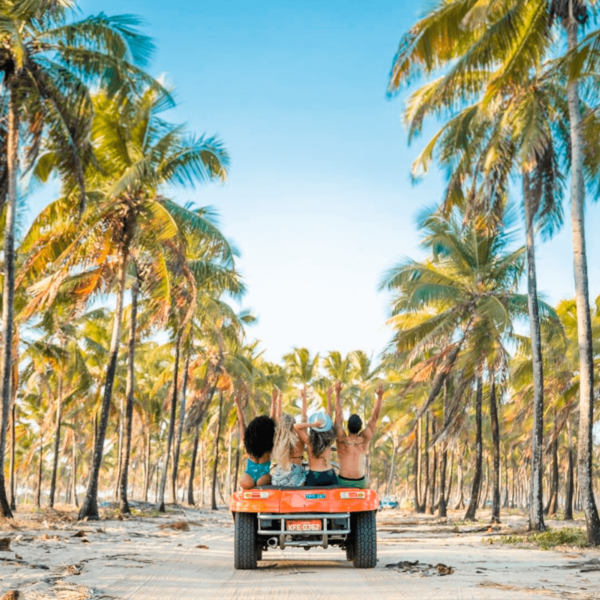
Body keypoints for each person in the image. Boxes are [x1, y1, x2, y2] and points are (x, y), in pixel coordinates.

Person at [335, 380, 384, 489]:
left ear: (347, 426)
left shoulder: (341, 438)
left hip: (343, 481)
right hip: (360, 482)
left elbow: (338, 415)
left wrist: (337, 393)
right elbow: (374, 418)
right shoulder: (364, 439)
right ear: (361, 427)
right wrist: (379, 397)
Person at [234, 390, 277, 489]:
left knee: (246, 486)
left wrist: (238, 404)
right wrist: (274, 401)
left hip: (248, 476)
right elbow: (272, 420)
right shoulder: (267, 449)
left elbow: (241, 421)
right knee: (268, 480)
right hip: (263, 476)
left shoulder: (248, 443)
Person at [295, 393, 337, 486]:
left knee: (311, 500)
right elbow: (329, 416)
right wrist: (329, 397)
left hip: (314, 475)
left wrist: (313, 425)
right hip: (329, 474)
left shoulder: (309, 441)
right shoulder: (329, 440)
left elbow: (296, 426)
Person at [271, 388, 308, 487]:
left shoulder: (278, 439)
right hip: (295, 478)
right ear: (294, 425)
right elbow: (304, 418)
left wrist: (277, 401)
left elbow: (277, 418)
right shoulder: (299, 441)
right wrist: (303, 399)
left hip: (278, 477)